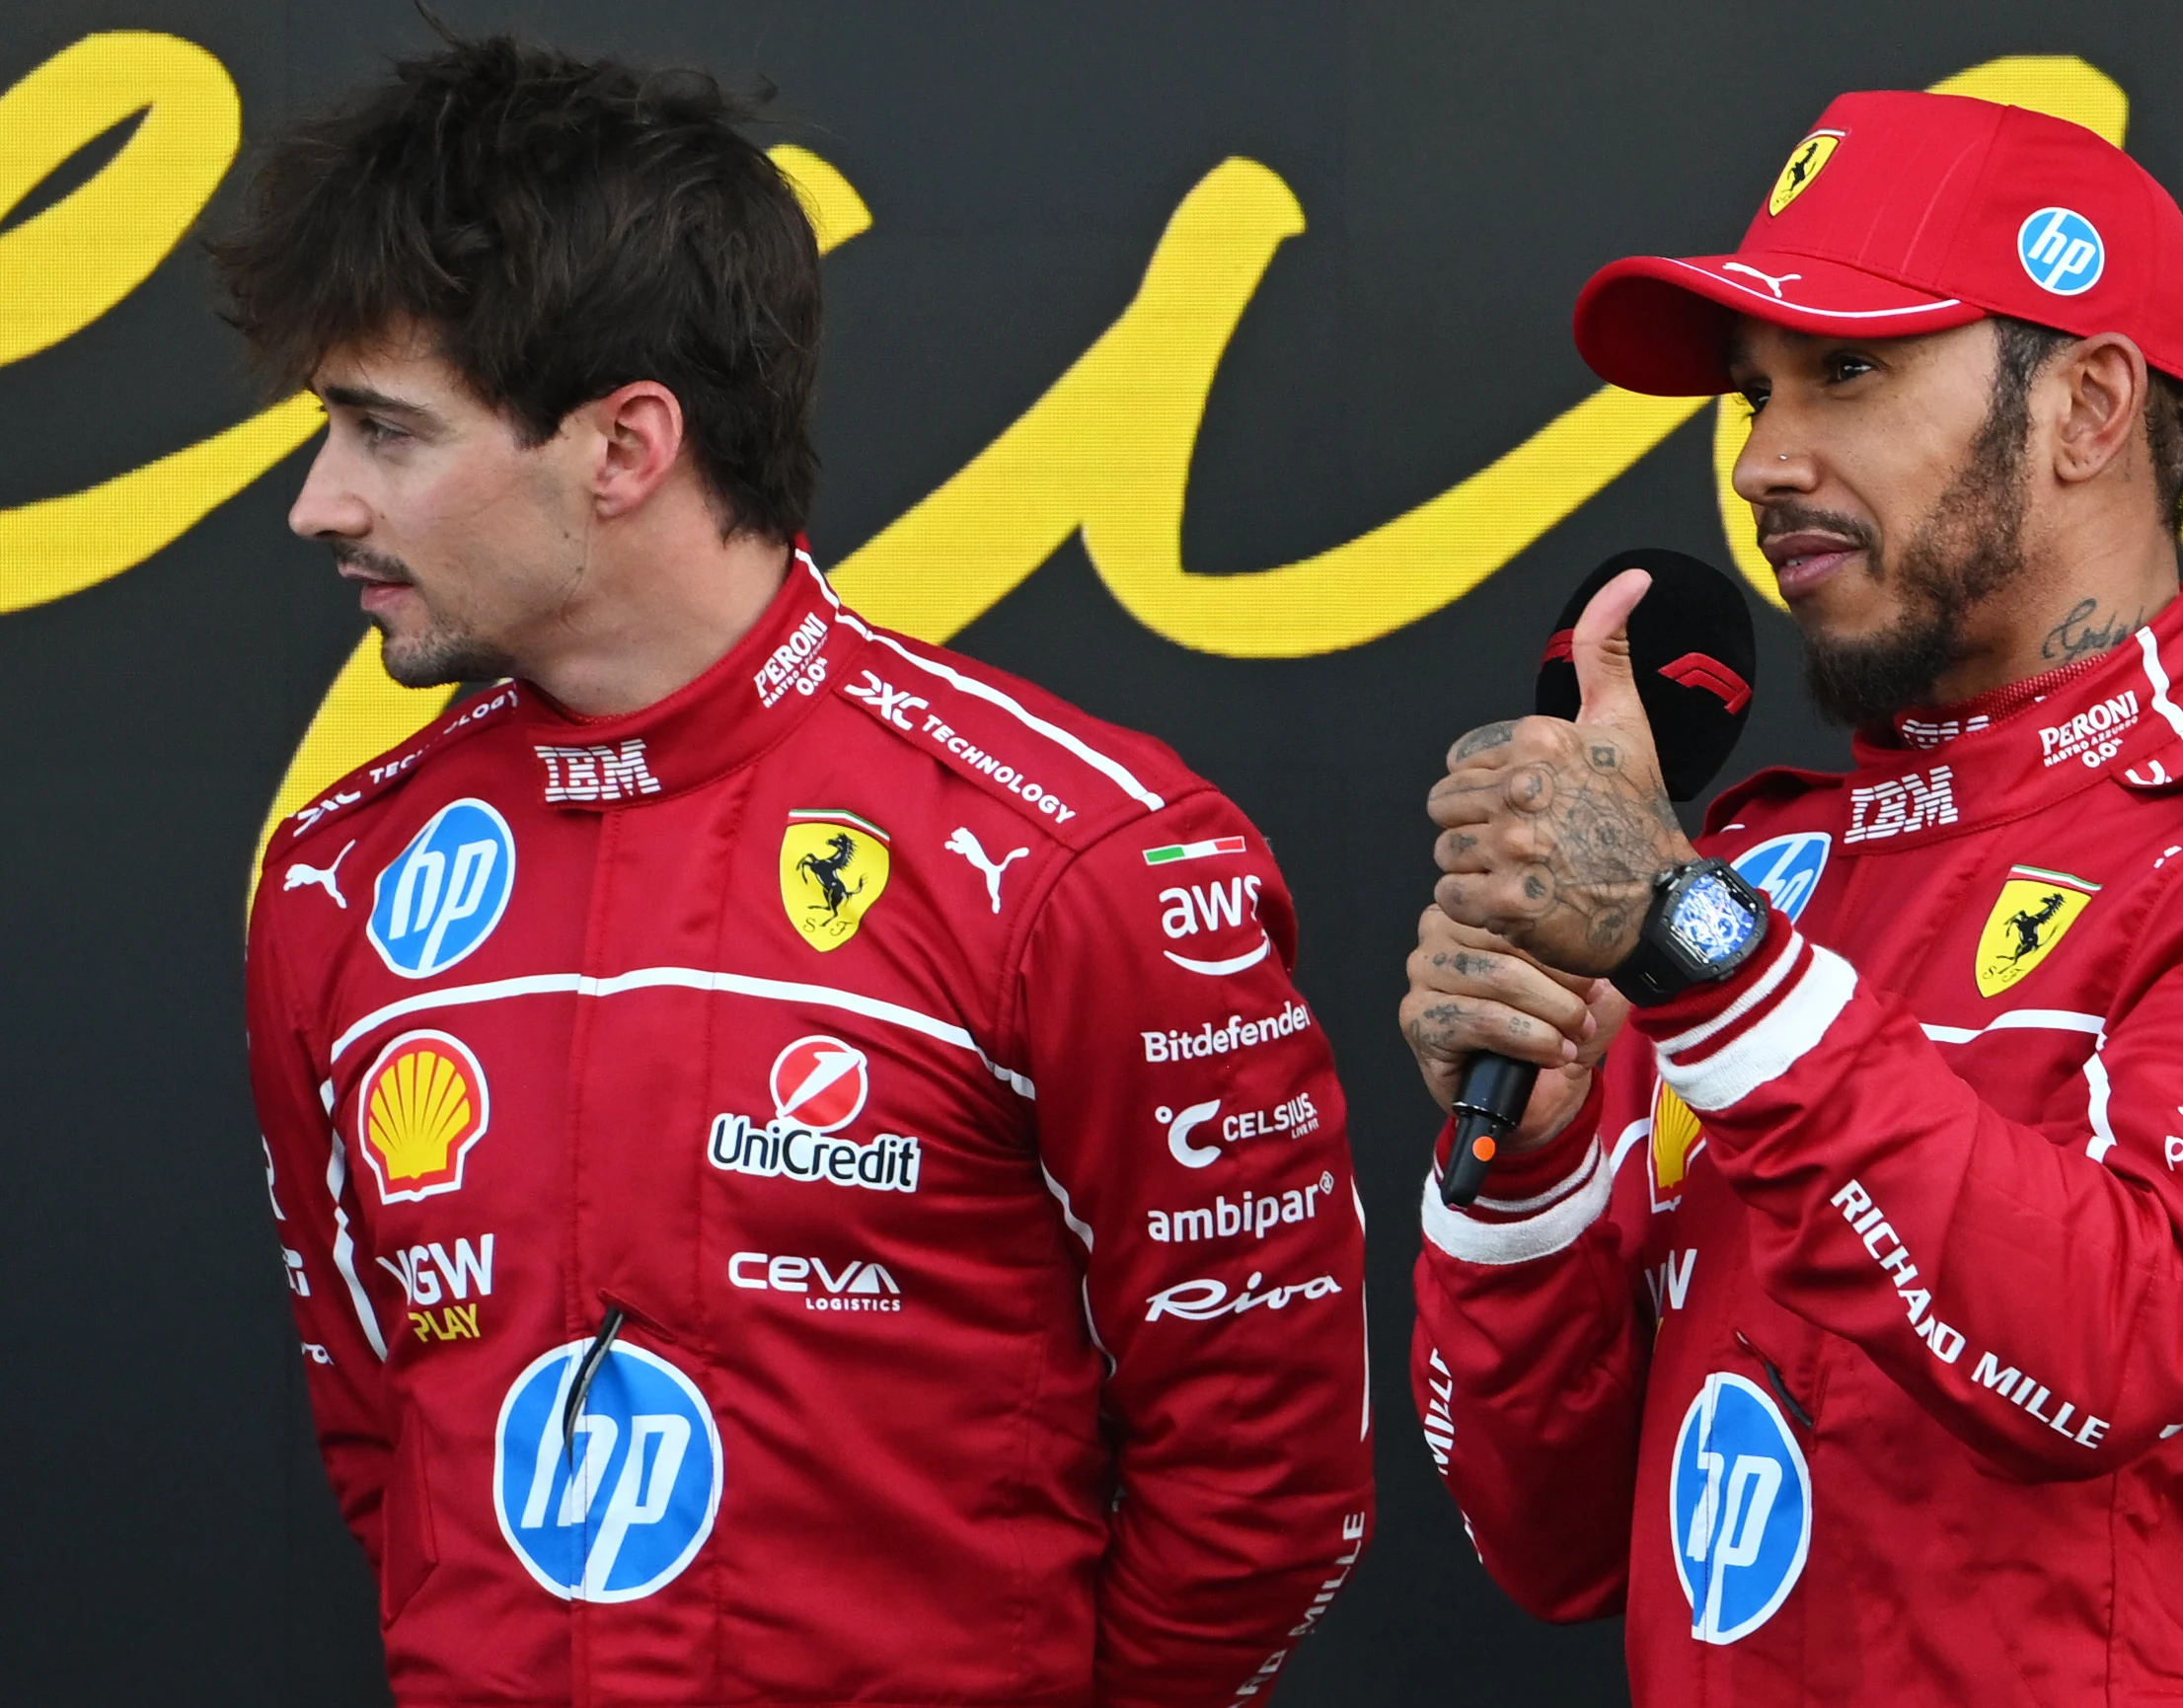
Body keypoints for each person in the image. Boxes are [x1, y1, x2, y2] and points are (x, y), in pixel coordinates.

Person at [227, 37, 1369, 1706]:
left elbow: (1265, 1480)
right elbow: (378, 1437)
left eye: (384, 432)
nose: (318, 502)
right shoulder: (340, 876)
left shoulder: (1073, 854)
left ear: (625, 447)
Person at [1401, 89, 2183, 1704]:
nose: (1765, 462)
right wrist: (1535, 1163)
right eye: (1749, 396)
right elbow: (1555, 1545)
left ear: (2089, 407)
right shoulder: (1762, 881)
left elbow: (2105, 1353)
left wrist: (1697, 952)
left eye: (1849, 371)